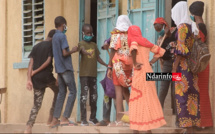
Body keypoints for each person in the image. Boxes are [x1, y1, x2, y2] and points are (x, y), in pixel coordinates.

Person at [128, 25, 166, 133]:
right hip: (148, 71)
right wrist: (150, 62)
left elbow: (134, 49)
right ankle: (148, 128)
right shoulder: (145, 41)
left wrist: (135, 63)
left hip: (140, 72)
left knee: (137, 100)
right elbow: (160, 51)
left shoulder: (134, 41)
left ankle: (137, 128)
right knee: (148, 99)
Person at [171, 2, 200, 133]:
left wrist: (174, 67)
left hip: (182, 68)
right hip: (191, 68)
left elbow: (181, 50)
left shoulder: (182, 27)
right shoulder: (190, 26)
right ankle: (192, 128)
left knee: (181, 95)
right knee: (192, 96)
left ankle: (186, 127)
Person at [25, 30, 59, 133]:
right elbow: (49, 61)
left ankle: (28, 127)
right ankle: (51, 117)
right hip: (47, 77)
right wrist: (36, 71)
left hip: (36, 80)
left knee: (36, 104)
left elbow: (30, 63)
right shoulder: (51, 46)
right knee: (59, 91)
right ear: (53, 38)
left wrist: (29, 79)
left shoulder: (36, 46)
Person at [49, 16, 78, 128]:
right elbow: (64, 53)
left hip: (59, 69)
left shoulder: (54, 36)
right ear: (63, 25)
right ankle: (65, 117)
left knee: (61, 93)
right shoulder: (62, 36)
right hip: (66, 68)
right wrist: (73, 50)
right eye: (65, 25)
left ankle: (55, 119)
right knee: (73, 92)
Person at [189, 1, 213, 128]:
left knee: (200, 92)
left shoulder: (199, 26)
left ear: (193, 13)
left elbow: (196, 42)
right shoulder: (200, 25)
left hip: (199, 63)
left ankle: (203, 122)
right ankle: (203, 122)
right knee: (200, 92)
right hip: (202, 62)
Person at [78, 24, 108, 126]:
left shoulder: (94, 45)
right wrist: (86, 53)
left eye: (91, 33)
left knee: (94, 96)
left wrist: (106, 64)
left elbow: (98, 58)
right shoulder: (80, 44)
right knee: (84, 97)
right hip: (84, 75)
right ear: (83, 33)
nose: (89, 35)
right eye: (87, 33)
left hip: (93, 75)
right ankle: (83, 119)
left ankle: (92, 117)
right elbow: (82, 50)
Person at [107, 15, 132, 126]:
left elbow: (112, 50)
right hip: (129, 65)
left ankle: (119, 119)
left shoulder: (115, 34)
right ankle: (133, 116)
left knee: (118, 92)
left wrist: (109, 66)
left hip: (117, 64)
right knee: (126, 91)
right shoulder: (131, 34)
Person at [150, 17, 177, 114]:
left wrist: (168, 34)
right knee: (162, 89)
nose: (158, 31)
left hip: (176, 64)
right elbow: (160, 55)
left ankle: (177, 115)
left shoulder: (175, 31)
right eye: (156, 30)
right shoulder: (160, 39)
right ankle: (158, 114)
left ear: (164, 25)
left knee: (175, 90)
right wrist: (161, 66)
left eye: (159, 28)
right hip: (166, 64)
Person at [97, 37, 116, 126]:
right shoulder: (114, 37)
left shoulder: (123, 39)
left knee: (117, 95)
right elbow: (105, 44)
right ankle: (106, 119)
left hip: (118, 70)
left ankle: (120, 119)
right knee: (107, 94)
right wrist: (106, 44)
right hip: (111, 71)